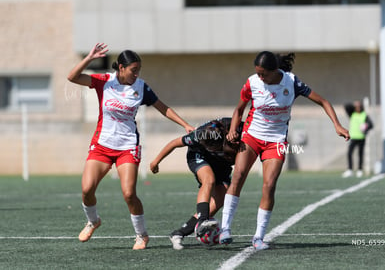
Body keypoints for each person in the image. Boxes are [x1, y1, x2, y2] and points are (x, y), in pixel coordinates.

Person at [67, 43, 194, 250]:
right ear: (121, 68)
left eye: (139, 70)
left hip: (127, 146)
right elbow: (72, 77)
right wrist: (89, 58)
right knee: (87, 189)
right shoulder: (104, 82)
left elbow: (163, 108)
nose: (137, 74)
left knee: (128, 193)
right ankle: (93, 221)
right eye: (133, 70)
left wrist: (185, 125)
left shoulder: (141, 87)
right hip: (102, 145)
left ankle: (141, 235)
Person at [219, 51, 350, 250]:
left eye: (264, 74)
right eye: (258, 73)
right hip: (252, 135)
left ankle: (258, 238)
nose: (260, 77)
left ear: (275, 71)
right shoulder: (252, 83)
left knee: (269, 185)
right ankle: (225, 229)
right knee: (238, 175)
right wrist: (231, 131)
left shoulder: (292, 82)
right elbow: (239, 110)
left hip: (276, 140)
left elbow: (323, 101)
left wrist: (337, 125)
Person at [150, 117, 243, 250]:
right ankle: (203, 220)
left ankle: (179, 233)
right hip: (198, 156)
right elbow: (174, 143)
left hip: (222, 162)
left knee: (221, 198)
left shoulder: (239, 129)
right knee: (208, 180)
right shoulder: (199, 135)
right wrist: (156, 162)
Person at [342, 100, 374, 178]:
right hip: (353, 137)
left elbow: (371, 125)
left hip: (361, 137)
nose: (358, 108)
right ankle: (350, 170)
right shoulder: (352, 114)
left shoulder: (364, 115)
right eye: (356, 106)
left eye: (359, 106)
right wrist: (354, 104)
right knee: (349, 153)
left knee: (360, 154)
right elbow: (346, 106)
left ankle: (359, 170)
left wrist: (366, 127)